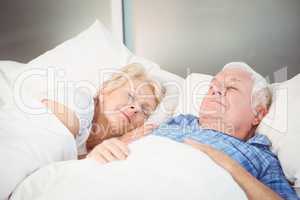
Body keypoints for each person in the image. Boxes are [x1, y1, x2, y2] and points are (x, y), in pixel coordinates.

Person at [90, 62, 298, 200]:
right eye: (212, 87)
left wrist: (227, 165)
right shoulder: (170, 125)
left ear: (258, 113)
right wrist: (101, 151)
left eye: (232, 88)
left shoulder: (260, 156)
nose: (215, 90)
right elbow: (103, 159)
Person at [42, 63, 165, 158]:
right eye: (131, 96)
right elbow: (45, 157)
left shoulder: (99, 146)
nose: (136, 108)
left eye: (145, 110)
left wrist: (121, 142)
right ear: (105, 89)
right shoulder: (78, 103)